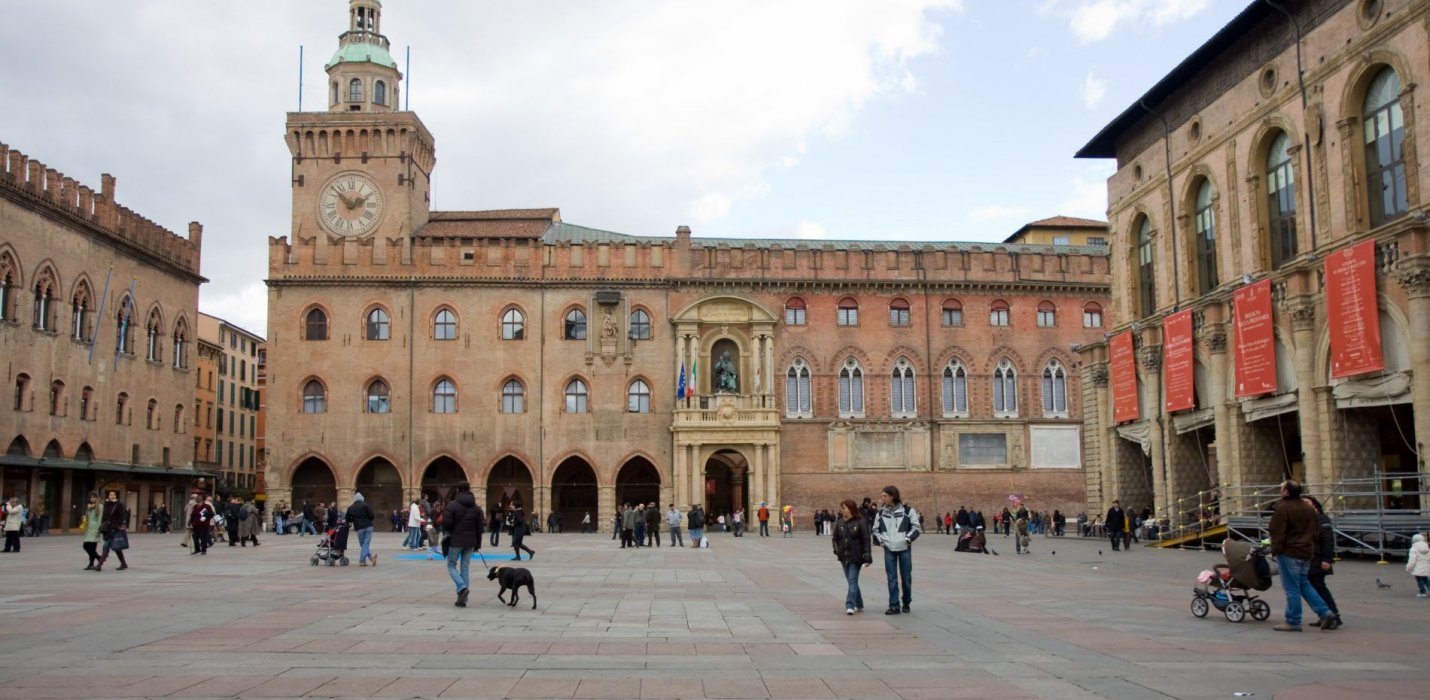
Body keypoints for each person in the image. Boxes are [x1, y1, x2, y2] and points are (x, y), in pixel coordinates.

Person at [1269, 480, 1338, 631]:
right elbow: (1315, 531)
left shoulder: (1283, 508)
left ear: (1286, 492)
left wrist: (1276, 549)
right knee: (1304, 584)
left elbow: (1276, 531)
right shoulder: (1308, 508)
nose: (1280, 490)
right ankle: (1325, 612)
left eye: (1282, 488)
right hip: (1306, 552)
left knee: (1291, 588)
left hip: (1289, 551)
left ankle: (1293, 620)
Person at [872, 486, 920, 615]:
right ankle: (894, 605)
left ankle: (906, 601)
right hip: (889, 549)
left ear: (892, 496)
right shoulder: (881, 513)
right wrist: (882, 542)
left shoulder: (907, 511)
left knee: (906, 578)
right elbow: (875, 530)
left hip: (904, 548)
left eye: (884, 496)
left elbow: (916, 528)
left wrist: (907, 539)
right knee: (891, 578)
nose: (882, 498)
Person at [441, 482, 485, 607]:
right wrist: (477, 545)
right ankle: (463, 600)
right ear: (469, 489)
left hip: (456, 540)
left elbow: (447, 524)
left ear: (458, 490)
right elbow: (479, 528)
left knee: (451, 565)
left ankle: (461, 587)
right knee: (465, 568)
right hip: (470, 542)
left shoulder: (452, 505)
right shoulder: (476, 508)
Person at [832, 499, 872, 615]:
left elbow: (866, 539)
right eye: (842, 508)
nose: (842, 510)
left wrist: (867, 556)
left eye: (844, 508)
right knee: (851, 581)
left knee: (852, 580)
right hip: (844, 556)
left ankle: (850, 604)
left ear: (851, 509)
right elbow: (835, 538)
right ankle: (859, 603)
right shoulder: (840, 522)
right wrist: (836, 550)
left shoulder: (861, 522)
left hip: (856, 557)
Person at [1305, 496, 1340, 628]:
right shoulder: (1307, 520)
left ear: (1315, 505)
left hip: (1319, 559)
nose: (1305, 505)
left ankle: (1334, 616)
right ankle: (1323, 615)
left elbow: (1328, 540)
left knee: (1319, 588)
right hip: (1310, 559)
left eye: (1307, 503)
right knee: (1314, 589)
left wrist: (1327, 559)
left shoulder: (1322, 519)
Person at [96, 490, 130, 571]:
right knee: (117, 548)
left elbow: (122, 516)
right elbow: (104, 517)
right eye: (110, 494)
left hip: (115, 529)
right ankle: (124, 564)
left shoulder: (119, 504)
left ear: (116, 496)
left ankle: (99, 565)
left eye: (114, 494)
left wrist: (118, 525)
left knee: (106, 546)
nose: (112, 496)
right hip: (107, 529)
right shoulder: (106, 504)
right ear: (108, 496)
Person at [346, 492, 377, 567]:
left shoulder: (350, 508)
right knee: (365, 544)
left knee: (363, 544)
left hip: (359, 528)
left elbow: (347, 519)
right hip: (368, 526)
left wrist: (353, 519)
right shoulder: (365, 505)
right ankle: (370, 558)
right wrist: (369, 520)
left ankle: (362, 560)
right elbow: (372, 515)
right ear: (361, 498)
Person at [81, 492, 103, 570]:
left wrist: (98, 530)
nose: (92, 498)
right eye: (91, 497)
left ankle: (93, 562)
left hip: (95, 529)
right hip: (89, 529)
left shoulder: (100, 506)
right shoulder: (89, 507)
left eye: (94, 497)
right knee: (86, 546)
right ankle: (98, 558)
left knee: (90, 547)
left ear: (97, 498)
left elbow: (100, 518)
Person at [1407, 532, 1430, 598]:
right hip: (1426, 566)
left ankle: (1422, 592)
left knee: (1419, 579)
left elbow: (1412, 560)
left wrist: (1409, 567)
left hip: (1418, 567)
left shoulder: (1413, 548)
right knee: (1425, 578)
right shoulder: (1427, 547)